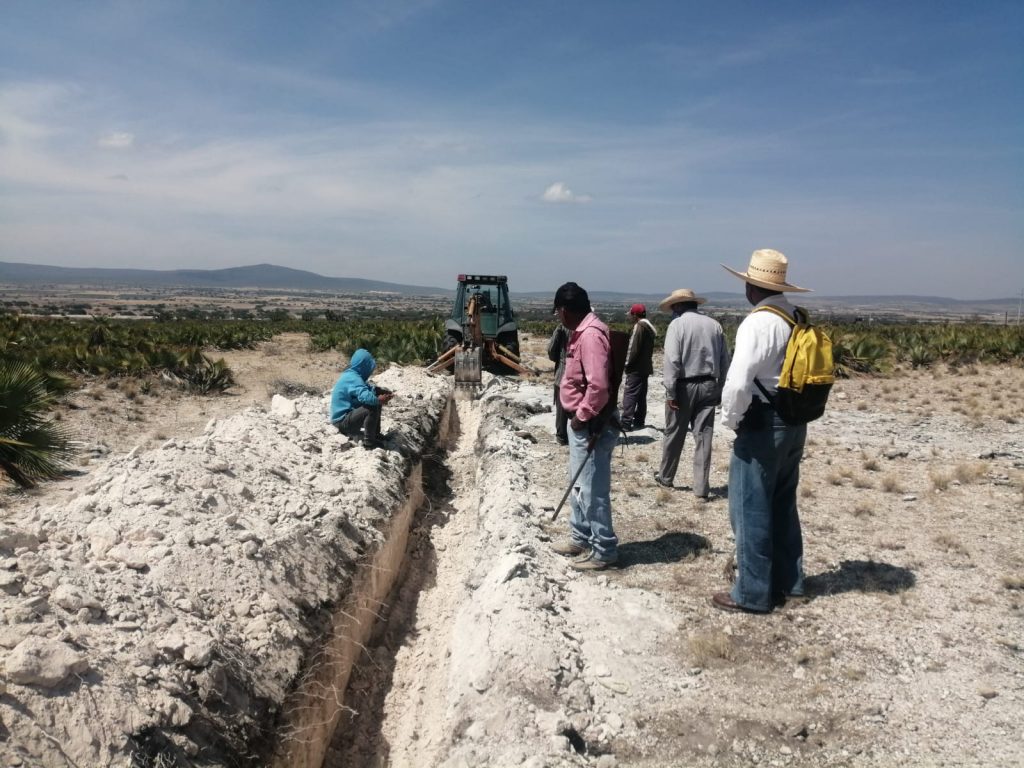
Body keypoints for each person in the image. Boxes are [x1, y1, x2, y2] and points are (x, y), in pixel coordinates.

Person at [713, 248, 811, 613]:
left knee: (749, 508)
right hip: (794, 420)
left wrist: (731, 420)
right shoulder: (795, 316)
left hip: (762, 424)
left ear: (751, 286)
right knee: (783, 503)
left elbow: (738, 381)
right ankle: (791, 582)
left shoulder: (758, 322)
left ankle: (752, 593)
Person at [550, 282, 620, 571]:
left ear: (565, 310)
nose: (558, 317)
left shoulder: (590, 336)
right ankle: (580, 537)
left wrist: (581, 417)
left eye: (558, 312)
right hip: (582, 422)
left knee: (592, 489)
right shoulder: (582, 331)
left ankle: (604, 549)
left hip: (590, 424)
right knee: (579, 484)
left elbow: (599, 386)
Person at [654, 289, 730, 499]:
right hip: (709, 384)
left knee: (674, 432)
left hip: (683, 386)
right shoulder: (714, 325)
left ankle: (666, 476)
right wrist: (721, 387)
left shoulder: (677, 325)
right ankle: (701, 488)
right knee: (704, 436)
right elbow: (725, 360)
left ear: (678, 305)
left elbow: (672, 360)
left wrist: (671, 392)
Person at [330, 348, 394, 449]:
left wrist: (377, 391)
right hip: (342, 422)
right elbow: (367, 397)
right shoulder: (353, 378)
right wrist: (379, 399)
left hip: (347, 417)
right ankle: (369, 442)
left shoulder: (353, 374)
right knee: (373, 405)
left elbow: (366, 389)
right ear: (364, 366)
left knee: (375, 401)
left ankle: (375, 434)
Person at [621, 303, 656, 431]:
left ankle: (626, 422)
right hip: (645, 367)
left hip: (635, 367)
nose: (629, 317)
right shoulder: (649, 328)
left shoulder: (639, 327)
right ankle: (639, 420)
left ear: (635, 315)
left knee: (630, 393)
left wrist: (626, 364)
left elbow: (633, 348)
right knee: (641, 394)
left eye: (631, 314)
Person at [547, 323, 570, 445]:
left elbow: (551, 351)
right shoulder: (589, 328)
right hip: (582, 376)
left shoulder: (562, 327)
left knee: (561, 409)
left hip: (563, 374)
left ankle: (561, 436)